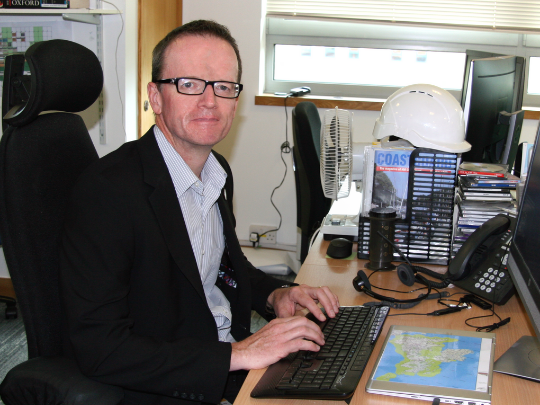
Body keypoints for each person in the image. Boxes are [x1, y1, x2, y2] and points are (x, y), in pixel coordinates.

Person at [59, 20, 339, 405]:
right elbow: (99, 347)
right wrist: (238, 354)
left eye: (223, 87)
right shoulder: (107, 193)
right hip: (170, 384)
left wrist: (275, 296)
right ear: (155, 96)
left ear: (235, 102)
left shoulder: (217, 171)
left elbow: (226, 267)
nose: (209, 101)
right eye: (189, 84)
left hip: (223, 357)